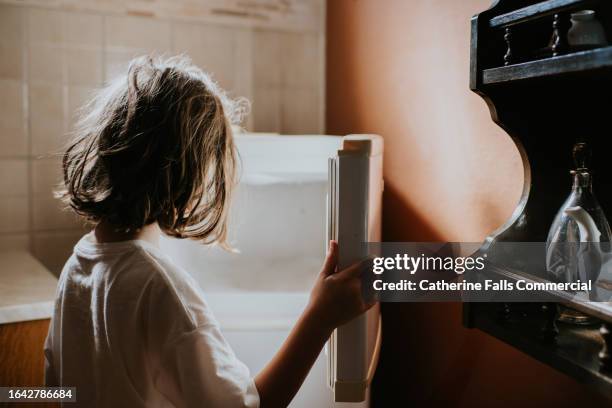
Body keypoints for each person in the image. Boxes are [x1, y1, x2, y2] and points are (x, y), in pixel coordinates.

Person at [44, 55, 373, 408]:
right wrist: (319, 319)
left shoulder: (78, 265)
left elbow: (56, 384)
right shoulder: (160, 288)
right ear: (187, 172)